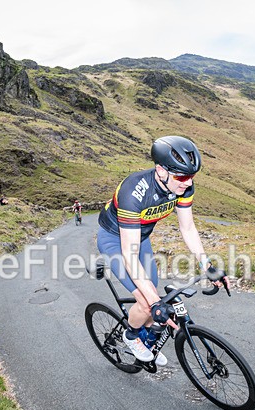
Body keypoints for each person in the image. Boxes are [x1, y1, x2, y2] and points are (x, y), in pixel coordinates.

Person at [97, 135, 228, 366]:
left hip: (141, 239)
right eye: (182, 176)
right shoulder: (133, 191)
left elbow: (187, 228)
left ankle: (146, 338)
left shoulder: (182, 186)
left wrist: (207, 265)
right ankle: (130, 335)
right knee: (148, 302)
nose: (188, 183)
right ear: (160, 170)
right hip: (115, 241)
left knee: (154, 295)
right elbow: (128, 253)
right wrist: (153, 302)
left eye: (192, 177)